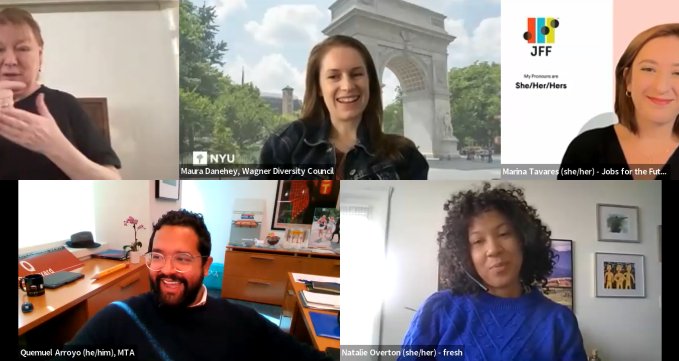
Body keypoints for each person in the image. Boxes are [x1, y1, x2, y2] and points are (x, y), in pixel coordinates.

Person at [54, 210, 332, 361]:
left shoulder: (243, 322)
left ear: (206, 266)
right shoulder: (119, 317)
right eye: (158, 256)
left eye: (183, 259)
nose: (167, 270)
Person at [398, 182, 587, 361]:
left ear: (523, 241)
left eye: (504, 234)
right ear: (465, 254)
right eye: (478, 241)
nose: (494, 249)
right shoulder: (438, 310)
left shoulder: (559, 321)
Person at [253, 35, 429, 180]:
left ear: (370, 82)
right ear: (319, 88)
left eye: (357, 74)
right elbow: (251, 216)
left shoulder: (405, 155)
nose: (347, 86)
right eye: (334, 76)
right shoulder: (286, 143)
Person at [0, 8, 121, 180]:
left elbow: (112, 181)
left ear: (40, 55)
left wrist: (54, 146)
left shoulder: (65, 104)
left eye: (23, 49)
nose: (11, 60)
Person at [558, 23, 679, 180]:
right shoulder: (585, 149)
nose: (661, 87)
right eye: (648, 69)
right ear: (627, 79)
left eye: (677, 72)